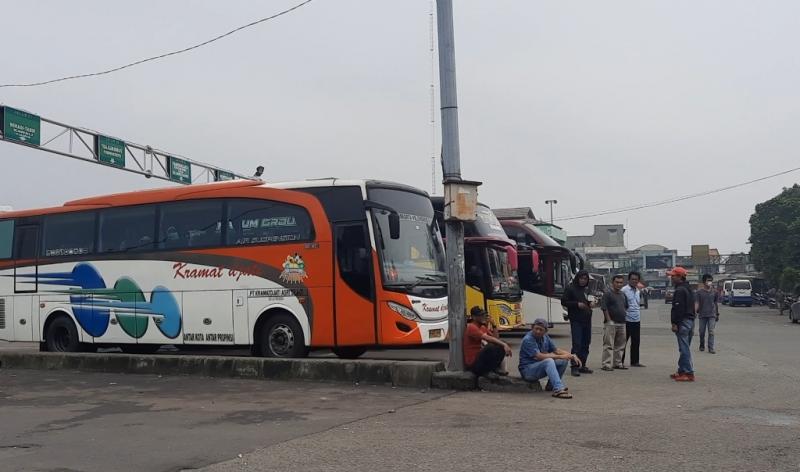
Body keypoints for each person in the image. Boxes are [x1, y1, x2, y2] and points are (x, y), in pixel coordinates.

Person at [518, 318, 579, 399]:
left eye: (541, 330)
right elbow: (539, 356)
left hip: (537, 367)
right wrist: (560, 356)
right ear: (532, 327)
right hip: (527, 371)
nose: (538, 331)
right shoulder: (528, 339)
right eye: (536, 329)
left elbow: (556, 350)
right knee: (548, 361)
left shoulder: (545, 337)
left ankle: (551, 385)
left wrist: (571, 355)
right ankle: (558, 389)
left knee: (563, 361)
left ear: (545, 331)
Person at [561, 269, 594, 376]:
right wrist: (576, 304)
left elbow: (589, 301)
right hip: (576, 320)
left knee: (586, 343)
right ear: (577, 278)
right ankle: (574, 366)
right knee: (577, 344)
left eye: (585, 279)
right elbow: (564, 301)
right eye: (581, 278)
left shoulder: (587, 290)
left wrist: (592, 303)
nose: (583, 281)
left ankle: (582, 365)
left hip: (587, 320)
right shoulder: (571, 289)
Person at [463, 306, 512, 378]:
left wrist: (494, 325)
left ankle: (493, 369)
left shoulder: (482, 327)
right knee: (491, 347)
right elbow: (488, 338)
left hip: (481, 360)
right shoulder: (471, 327)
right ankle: (487, 371)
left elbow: (496, 339)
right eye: (480, 315)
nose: (483, 317)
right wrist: (504, 344)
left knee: (499, 345)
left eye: (484, 315)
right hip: (473, 364)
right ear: (474, 317)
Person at [668, 267, 696, 382]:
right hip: (690, 320)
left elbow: (678, 309)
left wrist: (675, 323)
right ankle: (682, 370)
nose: (671, 277)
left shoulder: (680, 290)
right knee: (684, 347)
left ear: (680, 277)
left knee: (684, 348)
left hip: (683, 321)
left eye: (673, 275)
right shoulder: (688, 289)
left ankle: (688, 373)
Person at [601, 274, 629, 371]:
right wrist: (609, 321)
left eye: (621, 282)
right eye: (617, 282)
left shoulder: (623, 294)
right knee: (608, 344)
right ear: (613, 283)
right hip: (611, 323)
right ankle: (606, 364)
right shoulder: (607, 294)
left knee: (620, 345)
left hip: (622, 323)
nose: (619, 284)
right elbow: (604, 308)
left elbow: (626, 306)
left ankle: (618, 363)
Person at [621, 271, 645, 367]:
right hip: (626, 320)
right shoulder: (624, 290)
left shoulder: (638, 291)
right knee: (623, 342)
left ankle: (635, 361)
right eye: (632, 279)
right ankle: (620, 361)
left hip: (636, 320)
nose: (634, 281)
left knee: (636, 341)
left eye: (636, 279)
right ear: (629, 280)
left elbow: (638, 304)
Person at [695, 274, 720, 354]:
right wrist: (695, 312)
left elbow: (715, 303)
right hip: (702, 315)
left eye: (710, 280)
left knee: (711, 331)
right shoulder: (699, 292)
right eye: (708, 280)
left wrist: (717, 314)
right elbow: (697, 303)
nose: (710, 282)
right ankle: (702, 344)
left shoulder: (715, 292)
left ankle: (711, 348)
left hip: (712, 314)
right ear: (704, 282)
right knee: (701, 331)